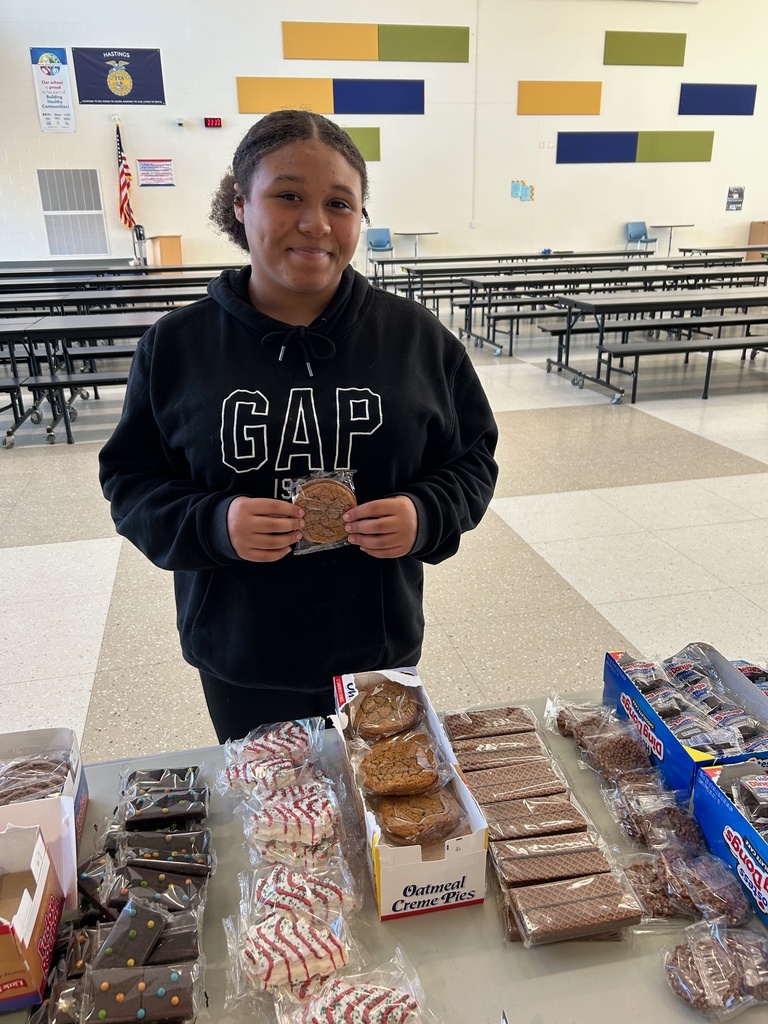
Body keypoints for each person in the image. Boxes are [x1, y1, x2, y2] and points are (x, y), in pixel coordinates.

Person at [99, 109, 498, 743]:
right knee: (276, 826)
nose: (316, 223)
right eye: (288, 196)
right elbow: (131, 482)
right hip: (242, 652)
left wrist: (425, 512)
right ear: (240, 204)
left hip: (377, 646)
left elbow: (473, 459)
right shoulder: (178, 347)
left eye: (340, 203)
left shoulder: (416, 339)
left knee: (379, 814)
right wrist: (214, 523)